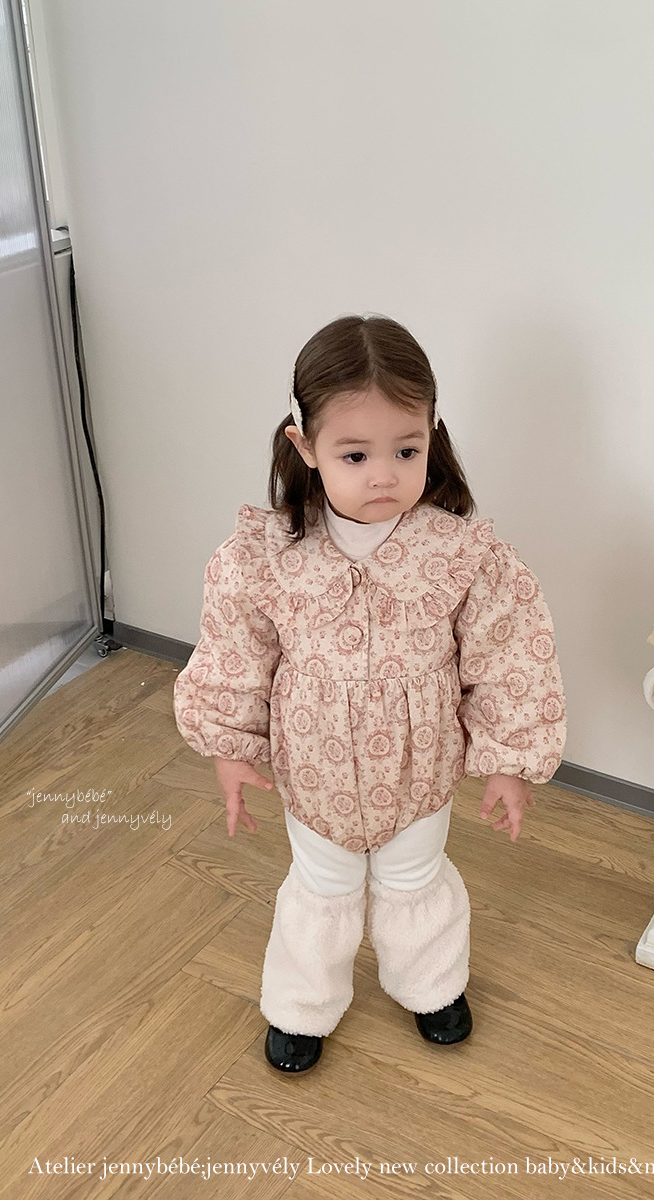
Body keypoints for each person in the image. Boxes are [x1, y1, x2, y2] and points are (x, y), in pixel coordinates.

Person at [173, 313, 567, 1074]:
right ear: (306, 447)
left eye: (406, 451)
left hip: (420, 770)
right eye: (355, 455)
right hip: (314, 768)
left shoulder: (461, 555)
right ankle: (301, 1007)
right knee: (321, 886)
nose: (384, 475)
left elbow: (510, 657)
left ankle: (432, 985)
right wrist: (229, 749)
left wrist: (509, 762)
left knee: (415, 877)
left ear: (432, 435)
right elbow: (234, 654)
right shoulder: (268, 556)